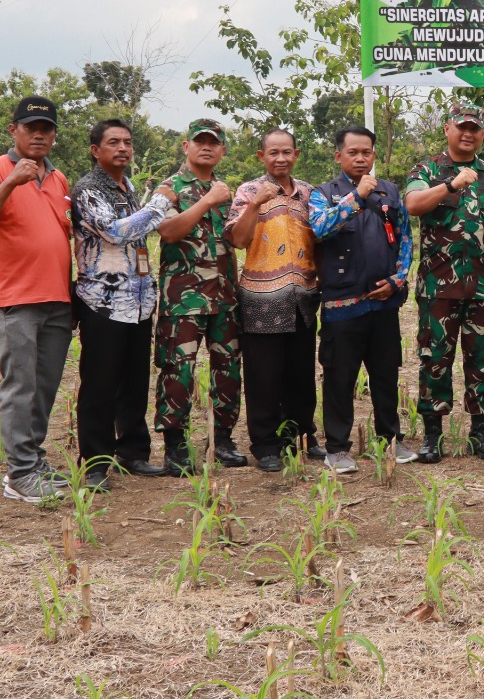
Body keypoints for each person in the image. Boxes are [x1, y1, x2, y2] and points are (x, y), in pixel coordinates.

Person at [0, 96, 75, 502]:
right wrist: (12, 181)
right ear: (14, 131)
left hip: (57, 299)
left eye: (47, 129)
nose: (39, 135)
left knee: (44, 387)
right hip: (15, 300)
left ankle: (33, 460)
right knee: (21, 386)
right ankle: (19, 475)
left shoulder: (59, 178)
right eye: (31, 128)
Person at [404, 101, 484, 464]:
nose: (468, 133)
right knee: (434, 358)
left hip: (482, 287)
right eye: (461, 126)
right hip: (438, 287)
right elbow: (413, 204)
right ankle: (432, 435)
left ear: (482, 134)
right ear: (447, 130)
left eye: (475, 128)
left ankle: (481, 433)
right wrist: (449, 184)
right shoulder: (428, 169)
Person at [71, 119, 175, 489]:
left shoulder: (128, 186)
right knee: (100, 383)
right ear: (95, 150)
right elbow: (116, 232)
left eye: (128, 142)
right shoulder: (87, 189)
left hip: (138, 301)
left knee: (133, 381)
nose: (123, 149)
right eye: (113, 142)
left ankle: (133, 453)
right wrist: (162, 201)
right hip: (103, 302)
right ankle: (96, 464)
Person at [310, 125, 415, 474]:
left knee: (385, 375)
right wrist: (355, 198)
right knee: (340, 378)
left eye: (366, 152)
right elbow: (320, 229)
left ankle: (391, 442)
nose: (360, 158)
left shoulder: (391, 192)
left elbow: (404, 239)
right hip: (342, 306)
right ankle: (337, 448)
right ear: (339, 156)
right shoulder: (323, 193)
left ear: (374, 155)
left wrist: (398, 279)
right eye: (352, 152)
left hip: (384, 303)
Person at [152, 119, 243, 477]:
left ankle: (222, 440)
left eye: (214, 143)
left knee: (229, 370)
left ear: (221, 150)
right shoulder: (168, 188)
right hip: (183, 301)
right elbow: (169, 232)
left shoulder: (225, 190)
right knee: (178, 371)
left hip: (225, 297)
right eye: (200, 141)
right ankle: (175, 447)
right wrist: (207, 200)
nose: (207, 147)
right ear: (186, 146)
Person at [226, 129, 321, 472]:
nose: (280, 158)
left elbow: (321, 239)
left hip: (303, 298)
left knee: (301, 374)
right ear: (261, 156)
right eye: (273, 153)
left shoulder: (310, 193)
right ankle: (266, 444)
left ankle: (300, 435)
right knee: (263, 377)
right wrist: (256, 204)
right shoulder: (248, 191)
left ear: (296, 154)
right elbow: (238, 240)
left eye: (286, 152)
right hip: (260, 299)